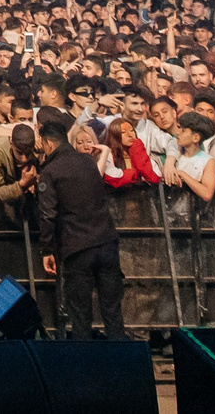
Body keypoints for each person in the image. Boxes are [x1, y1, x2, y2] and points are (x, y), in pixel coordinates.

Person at [33, 111, 126, 340]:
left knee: (80, 313)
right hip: (106, 241)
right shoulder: (87, 162)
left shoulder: (50, 171)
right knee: (113, 310)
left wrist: (47, 249)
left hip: (77, 247)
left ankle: (84, 365)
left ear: (47, 142)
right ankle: (123, 364)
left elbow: (48, 215)